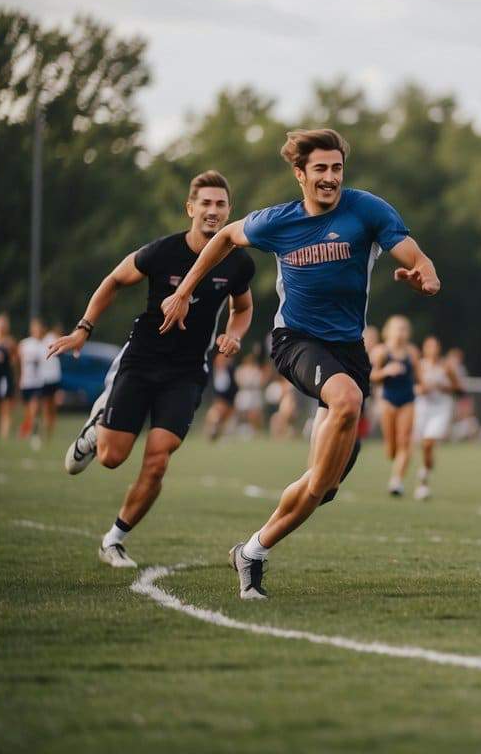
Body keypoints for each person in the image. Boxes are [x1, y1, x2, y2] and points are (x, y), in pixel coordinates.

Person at [158, 128, 439, 600]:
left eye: (337, 169)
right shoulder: (277, 222)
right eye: (320, 170)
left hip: (349, 352)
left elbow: (417, 257)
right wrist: (184, 291)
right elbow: (225, 236)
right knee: (346, 399)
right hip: (295, 342)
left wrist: (425, 278)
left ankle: (251, 551)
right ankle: (257, 548)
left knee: (320, 487)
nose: (330, 178)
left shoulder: (367, 209)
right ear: (300, 174)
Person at [48, 170, 255, 568]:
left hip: (187, 371)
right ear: (190, 208)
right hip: (141, 362)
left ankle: (114, 539)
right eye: (206, 204)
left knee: (158, 460)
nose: (213, 212)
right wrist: (82, 330)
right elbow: (113, 280)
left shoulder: (239, 262)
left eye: (221, 205)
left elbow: (242, 308)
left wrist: (235, 335)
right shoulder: (162, 252)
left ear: (230, 211)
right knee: (112, 457)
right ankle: (97, 430)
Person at [371, 315, 419, 497]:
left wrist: (422, 386)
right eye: (397, 328)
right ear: (388, 331)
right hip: (387, 400)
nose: (400, 332)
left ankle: (396, 481)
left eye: (404, 329)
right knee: (391, 448)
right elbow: (372, 376)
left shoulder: (412, 352)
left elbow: (419, 377)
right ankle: (396, 460)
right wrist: (386, 371)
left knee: (405, 441)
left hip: (408, 400)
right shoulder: (381, 352)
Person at [413, 335, 462, 499]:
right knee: (424, 445)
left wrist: (443, 386)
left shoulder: (446, 366)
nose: (433, 350)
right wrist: (421, 389)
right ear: (424, 349)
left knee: (429, 442)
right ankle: (426, 469)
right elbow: (414, 386)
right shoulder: (419, 366)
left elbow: (458, 387)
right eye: (429, 347)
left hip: (441, 409)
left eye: (435, 347)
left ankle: (425, 475)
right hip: (423, 408)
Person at [18, 318, 48, 444]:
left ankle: (35, 434)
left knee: (34, 409)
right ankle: (25, 431)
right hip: (26, 382)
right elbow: (19, 362)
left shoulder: (43, 345)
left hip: (37, 383)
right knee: (28, 413)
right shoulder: (24, 344)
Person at [205, 352, 239, 441]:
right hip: (219, 401)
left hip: (230, 401)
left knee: (226, 421)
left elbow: (234, 387)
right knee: (214, 416)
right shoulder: (213, 372)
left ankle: (220, 434)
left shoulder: (231, 370)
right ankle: (212, 433)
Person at [39, 322, 62, 440]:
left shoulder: (50, 338)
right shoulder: (39, 342)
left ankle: (49, 432)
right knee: (46, 407)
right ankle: (46, 431)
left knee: (51, 407)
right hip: (45, 378)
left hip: (53, 377)